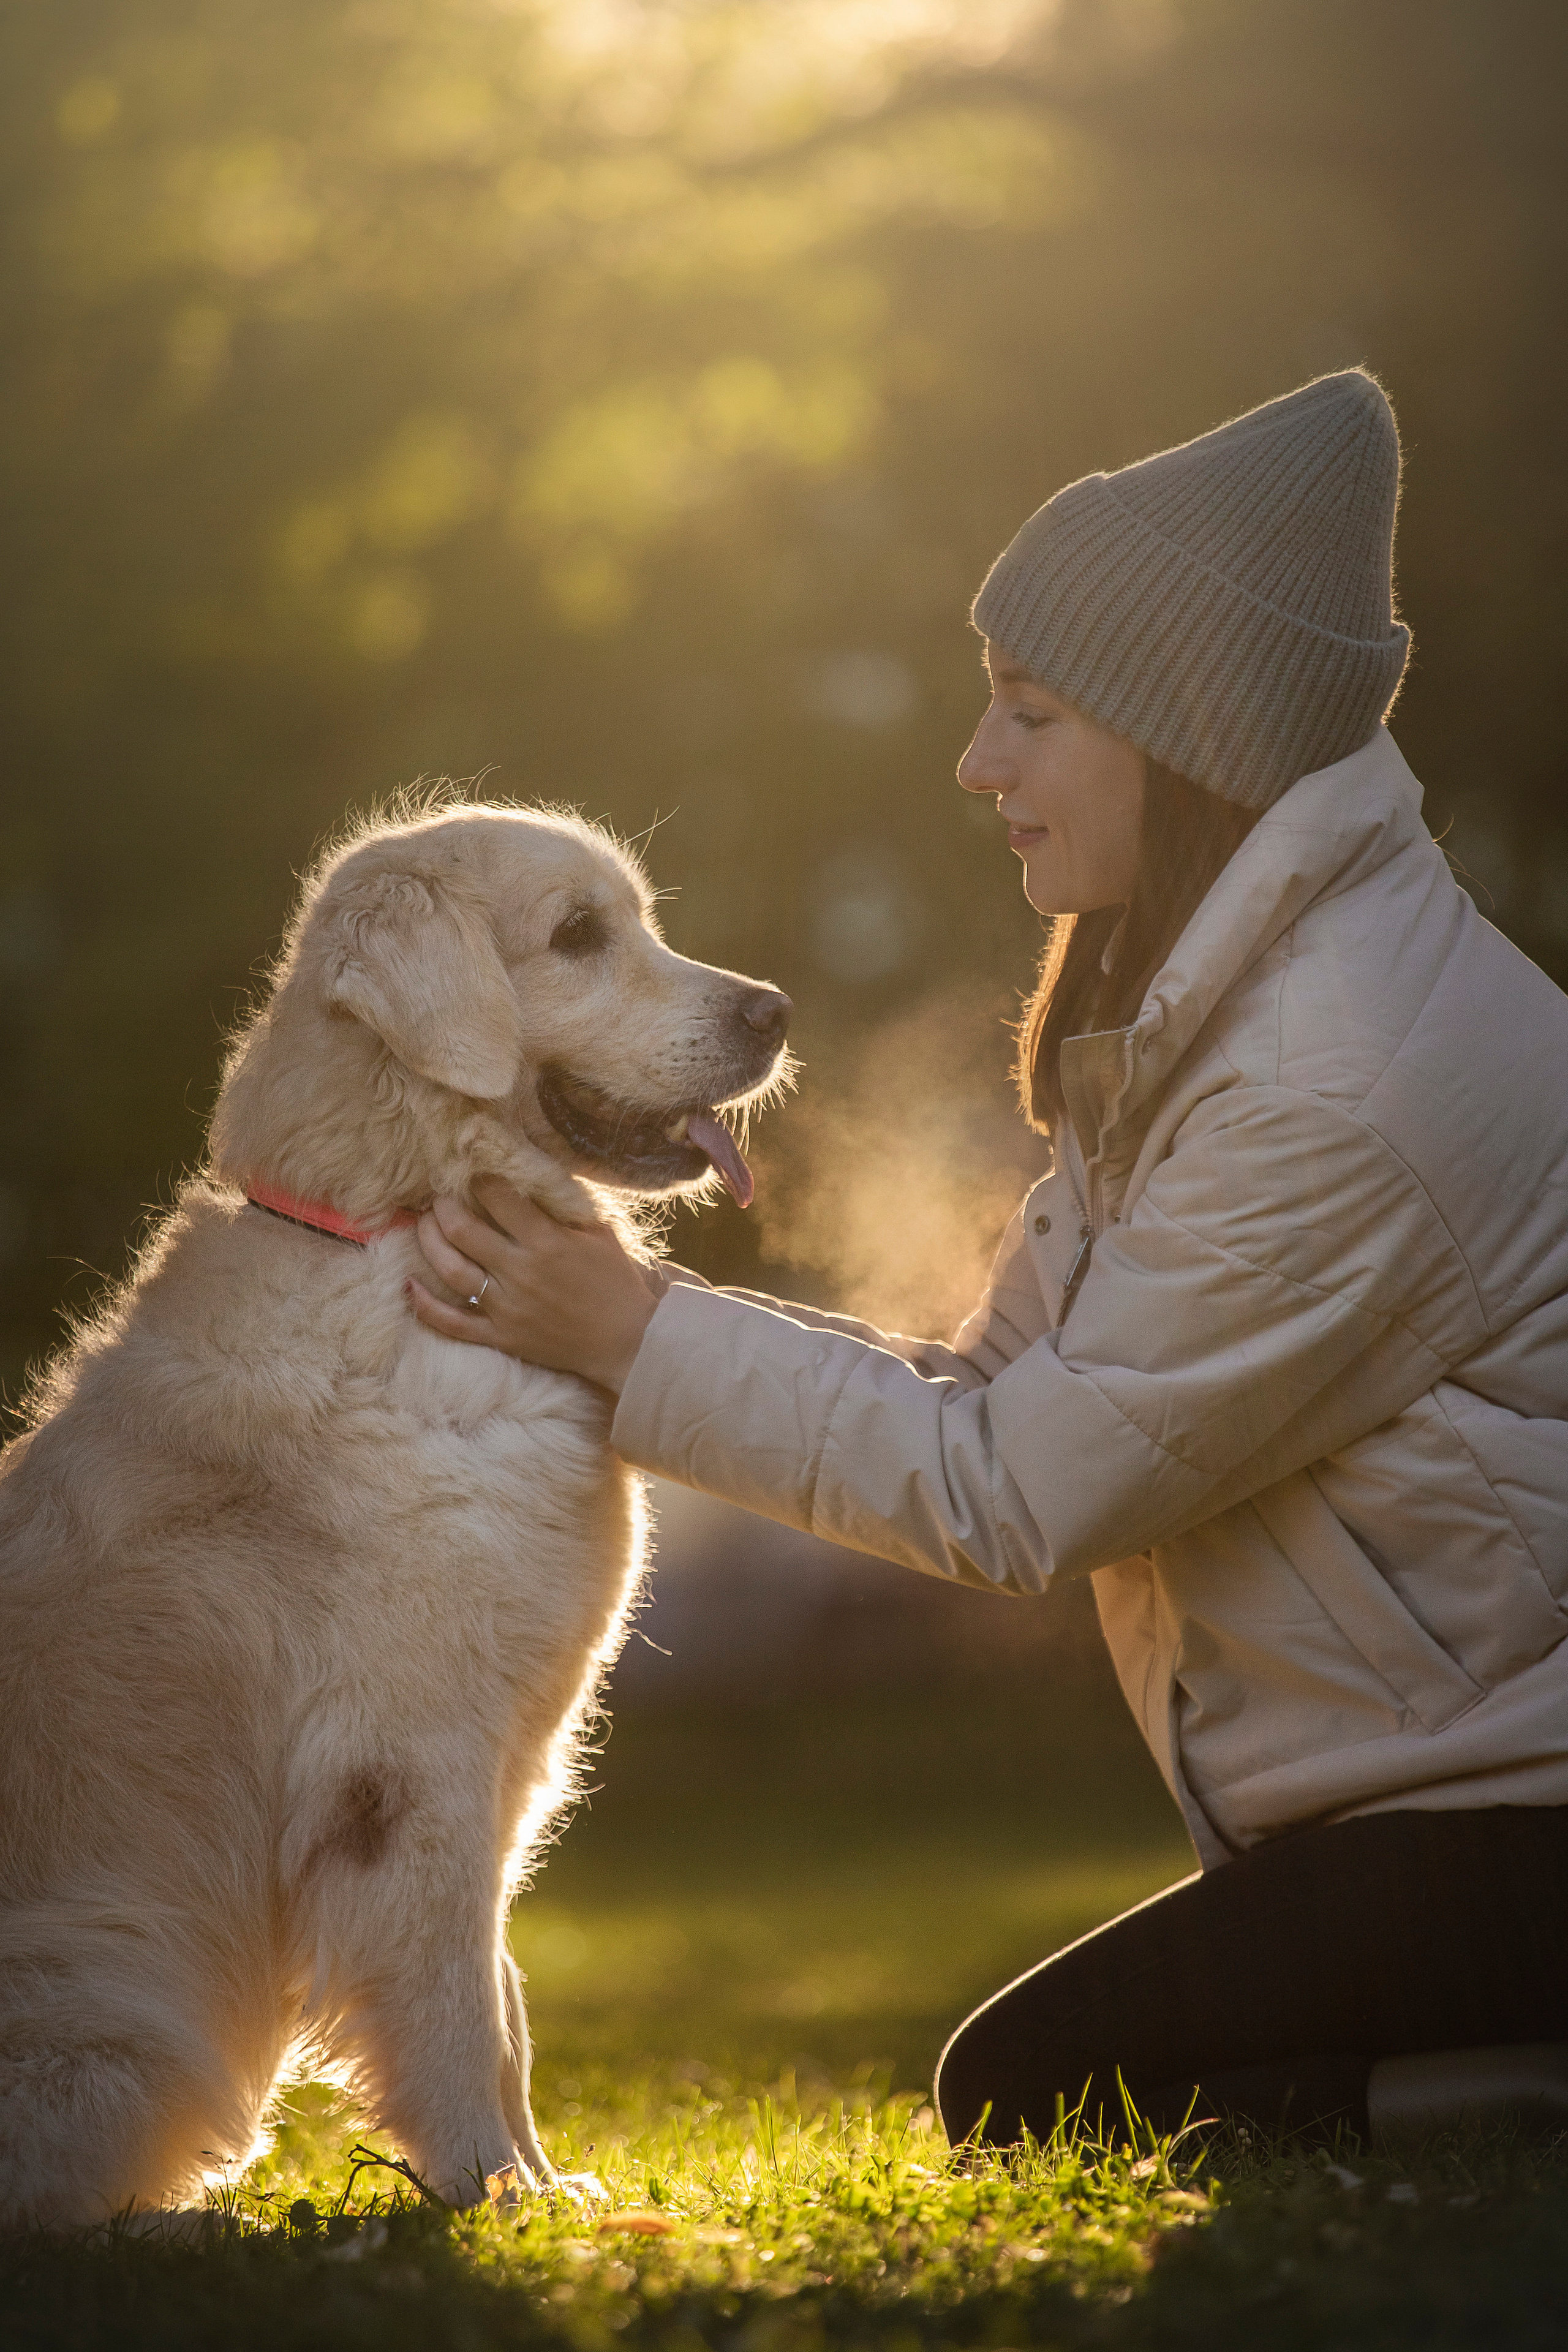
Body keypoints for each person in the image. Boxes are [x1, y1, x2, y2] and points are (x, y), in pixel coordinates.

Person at [408, 372, 1568, 2148]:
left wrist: (631, 1336)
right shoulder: (1209, 1019)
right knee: (1058, 2091)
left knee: (1038, 2102)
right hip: (1439, 1813)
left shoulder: (1333, 1088)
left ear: (1184, 734)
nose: (980, 764)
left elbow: (1013, 1494)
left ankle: (1496, 2090)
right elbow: (982, 1395)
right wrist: (641, 1333)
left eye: (1030, 713)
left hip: (1522, 1828)